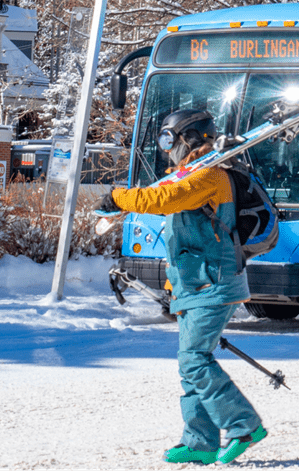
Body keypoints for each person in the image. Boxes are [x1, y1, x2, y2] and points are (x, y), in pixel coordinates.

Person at [92, 109, 266, 465]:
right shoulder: (192, 177)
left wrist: (119, 197)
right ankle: (201, 442)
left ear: (188, 138)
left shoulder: (210, 177)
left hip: (215, 284)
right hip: (193, 285)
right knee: (190, 363)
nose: (166, 148)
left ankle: (244, 425)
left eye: (169, 140)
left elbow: (163, 201)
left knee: (193, 360)